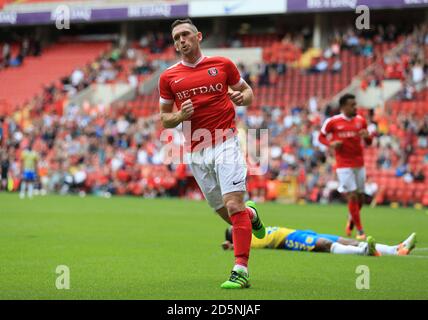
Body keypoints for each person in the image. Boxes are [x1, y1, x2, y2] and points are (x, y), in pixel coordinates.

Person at [158, 19, 265, 289]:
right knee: (224, 211)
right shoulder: (168, 77)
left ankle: (240, 269)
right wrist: (180, 115)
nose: (181, 40)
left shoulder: (222, 65)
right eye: (176, 38)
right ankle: (251, 217)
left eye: (185, 35)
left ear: (199, 36)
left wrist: (244, 98)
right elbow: (164, 119)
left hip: (225, 142)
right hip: (195, 151)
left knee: (233, 205)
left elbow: (247, 91)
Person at [319, 94, 374, 240]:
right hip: (343, 164)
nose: (355, 107)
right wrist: (330, 144)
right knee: (352, 195)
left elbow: (369, 142)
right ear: (343, 107)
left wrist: (366, 136)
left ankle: (351, 219)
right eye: (352, 105)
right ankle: (360, 231)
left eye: (355, 104)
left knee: (361, 198)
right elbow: (321, 137)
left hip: (359, 163)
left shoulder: (361, 121)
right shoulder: (333, 122)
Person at [222, 226, 417, 257]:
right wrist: (230, 246)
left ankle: (395, 249)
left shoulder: (253, 228)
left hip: (298, 231)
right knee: (323, 244)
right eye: (234, 230)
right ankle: (366, 250)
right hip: (289, 240)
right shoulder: (248, 241)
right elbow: (239, 246)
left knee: (344, 239)